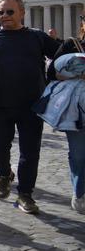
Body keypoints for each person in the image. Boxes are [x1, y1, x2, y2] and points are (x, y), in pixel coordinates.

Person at [0, 0, 62, 214]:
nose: (4, 16)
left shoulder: (37, 37)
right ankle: (5, 174)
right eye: (0, 12)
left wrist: (53, 79)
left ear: (22, 13)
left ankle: (25, 194)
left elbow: (61, 58)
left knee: (30, 152)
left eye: (9, 12)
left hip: (31, 105)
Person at [46, 16, 85, 212]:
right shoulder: (72, 44)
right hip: (77, 108)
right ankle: (79, 192)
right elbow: (51, 73)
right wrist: (75, 74)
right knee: (78, 154)